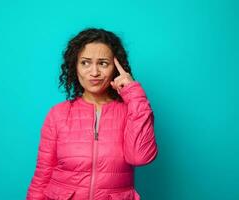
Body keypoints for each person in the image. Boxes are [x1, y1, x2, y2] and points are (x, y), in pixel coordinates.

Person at [26, 27, 158, 200]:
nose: (94, 72)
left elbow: (140, 157)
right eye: (85, 62)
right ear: (75, 66)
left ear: (115, 68)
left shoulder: (131, 111)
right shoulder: (58, 114)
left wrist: (134, 93)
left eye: (103, 63)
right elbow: (42, 175)